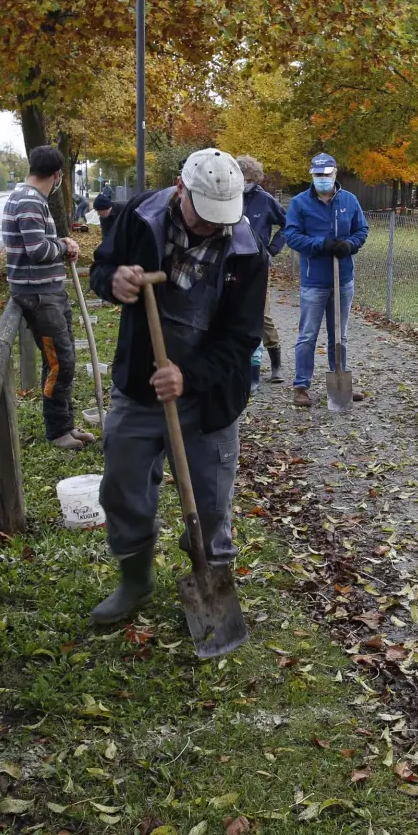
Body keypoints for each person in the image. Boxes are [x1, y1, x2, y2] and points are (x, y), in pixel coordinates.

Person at [85, 149, 267, 624]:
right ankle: (136, 581)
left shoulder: (247, 251)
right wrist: (114, 281)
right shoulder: (141, 216)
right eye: (203, 216)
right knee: (122, 486)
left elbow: (242, 338)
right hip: (140, 387)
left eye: (221, 218)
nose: (212, 227)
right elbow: (102, 268)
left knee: (210, 502)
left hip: (209, 399)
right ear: (181, 190)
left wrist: (190, 376)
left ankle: (208, 575)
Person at [4, 145, 94, 451]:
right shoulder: (29, 201)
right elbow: (38, 250)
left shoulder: (30, 198)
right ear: (57, 175)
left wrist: (60, 241)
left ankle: (65, 423)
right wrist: (65, 246)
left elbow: (41, 243)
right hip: (39, 295)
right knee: (62, 363)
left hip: (49, 292)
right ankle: (57, 431)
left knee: (59, 360)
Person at [281, 152, 369, 407]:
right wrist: (321, 244)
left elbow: (362, 229)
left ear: (334, 173)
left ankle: (341, 382)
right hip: (314, 281)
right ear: (312, 176)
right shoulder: (300, 203)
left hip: (343, 280)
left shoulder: (349, 201)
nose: (322, 179)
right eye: (318, 175)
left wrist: (350, 244)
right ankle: (301, 385)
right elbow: (292, 236)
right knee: (308, 335)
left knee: (339, 335)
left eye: (326, 175)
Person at [236, 155, 288, 383]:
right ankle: (239, 362)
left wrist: (272, 249)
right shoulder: (228, 198)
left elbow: (288, 224)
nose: (244, 182)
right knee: (234, 313)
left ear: (255, 179)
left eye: (248, 179)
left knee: (262, 314)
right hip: (233, 263)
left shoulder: (265, 201)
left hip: (259, 265)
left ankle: (275, 359)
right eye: (241, 178)